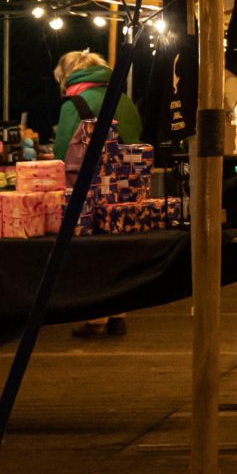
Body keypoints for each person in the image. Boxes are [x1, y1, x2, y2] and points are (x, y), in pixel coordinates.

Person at [53, 50, 145, 338]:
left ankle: (96, 319)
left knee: (89, 251)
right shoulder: (124, 99)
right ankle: (119, 314)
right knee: (117, 248)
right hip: (126, 186)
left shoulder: (75, 102)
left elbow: (61, 151)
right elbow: (136, 136)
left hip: (88, 188)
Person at [50, 50, 144, 161]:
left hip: (95, 176)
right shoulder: (125, 100)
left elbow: (62, 153)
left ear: (65, 76)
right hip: (132, 173)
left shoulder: (73, 104)